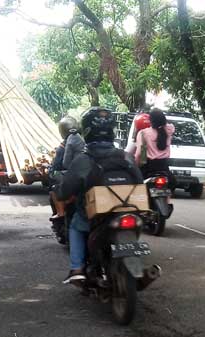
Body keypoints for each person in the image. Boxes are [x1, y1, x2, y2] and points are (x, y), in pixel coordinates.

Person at [58, 107, 143, 284]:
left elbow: (65, 190)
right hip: (129, 210)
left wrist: (61, 193)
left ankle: (77, 268)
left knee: (75, 225)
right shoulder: (125, 156)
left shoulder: (83, 159)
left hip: (94, 217)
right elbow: (140, 182)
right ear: (112, 130)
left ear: (87, 131)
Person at [133, 108, 174, 178]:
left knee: (138, 185)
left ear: (150, 121)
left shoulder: (143, 133)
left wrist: (135, 166)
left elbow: (140, 154)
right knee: (172, 184)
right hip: (164, 167)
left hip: (148, 167)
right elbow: (166, 125)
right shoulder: (170, 130)